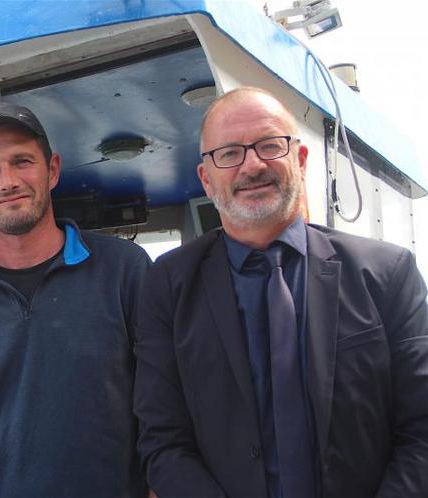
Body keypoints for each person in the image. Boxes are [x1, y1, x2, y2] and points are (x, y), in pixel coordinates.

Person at [133, 87, 428, 497]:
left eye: (270, 146)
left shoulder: (387, 274)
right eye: (229, 153)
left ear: (301, 160)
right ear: (206, 177)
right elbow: (162, 440)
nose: (252, 165)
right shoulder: (168, 285)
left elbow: (421, 429)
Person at [0, 102, 151, 498]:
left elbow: (162, 405)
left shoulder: (125, 270)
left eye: (22, 161)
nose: (8, 181)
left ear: (52, 170)